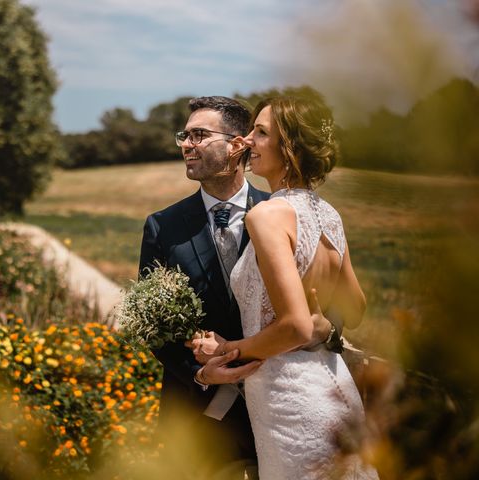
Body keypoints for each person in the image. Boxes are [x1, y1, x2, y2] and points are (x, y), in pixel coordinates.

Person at [138, 96, 339, 479]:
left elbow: (332, 305)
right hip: (198, 418)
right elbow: (152, 327)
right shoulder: (162, 226)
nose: (186, 144)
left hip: (283, 410)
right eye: (185, 135)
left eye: (199, 135)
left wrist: (328, 326)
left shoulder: (285, 212)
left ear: (237, 144)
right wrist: (200, 374)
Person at [190, 92, 379, 479]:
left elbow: (295, 326)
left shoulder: (267, 215)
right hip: (335, 387)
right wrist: (321, 318)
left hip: (290, 400)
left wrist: (228, 349)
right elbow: (355, 308)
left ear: (289, 146)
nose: (246, 142)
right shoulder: (328, 213)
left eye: (260, 133)